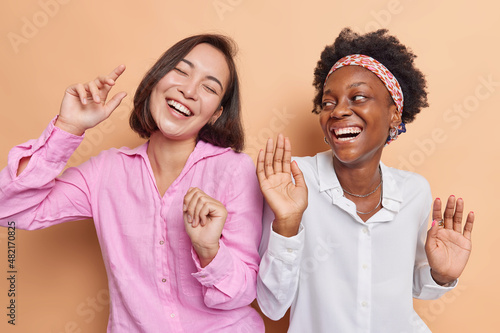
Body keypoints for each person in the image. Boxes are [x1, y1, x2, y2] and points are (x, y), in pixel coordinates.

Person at [0, 34, 264, 332]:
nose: (189, 90)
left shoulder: (234, 170)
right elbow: (8, 209)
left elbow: (241, 294)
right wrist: (68, 128)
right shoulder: (106, 172)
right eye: (181, 70)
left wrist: (208, 250)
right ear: (156, 79)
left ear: (216, 113)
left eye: (208, 87)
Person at [256, 28, 474, 332]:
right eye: (328, 103)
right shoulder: (292, 181)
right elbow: (272, 305)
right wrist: (287, 225)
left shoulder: (414, 191)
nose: (339, 111)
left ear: (394, 116)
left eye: (358, 97)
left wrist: (441, 275)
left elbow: (408, 285)